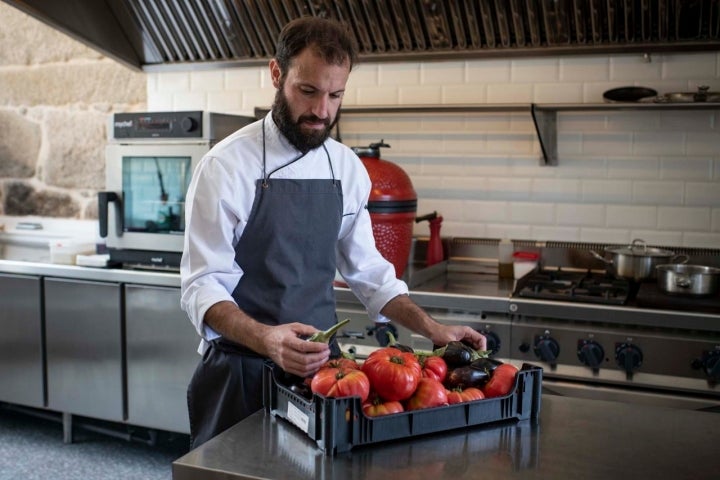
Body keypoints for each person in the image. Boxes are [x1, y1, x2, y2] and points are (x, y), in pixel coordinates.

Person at [179, 16, 486, 449]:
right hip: (239, 372)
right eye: (308, 91)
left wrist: (431, 329)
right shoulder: (226, 166)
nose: (322, 111)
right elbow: (201, 287)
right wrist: (268, 338)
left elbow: (370, 275)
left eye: (335, 95)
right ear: (276, 74)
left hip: (324, 373)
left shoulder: (346, 169)